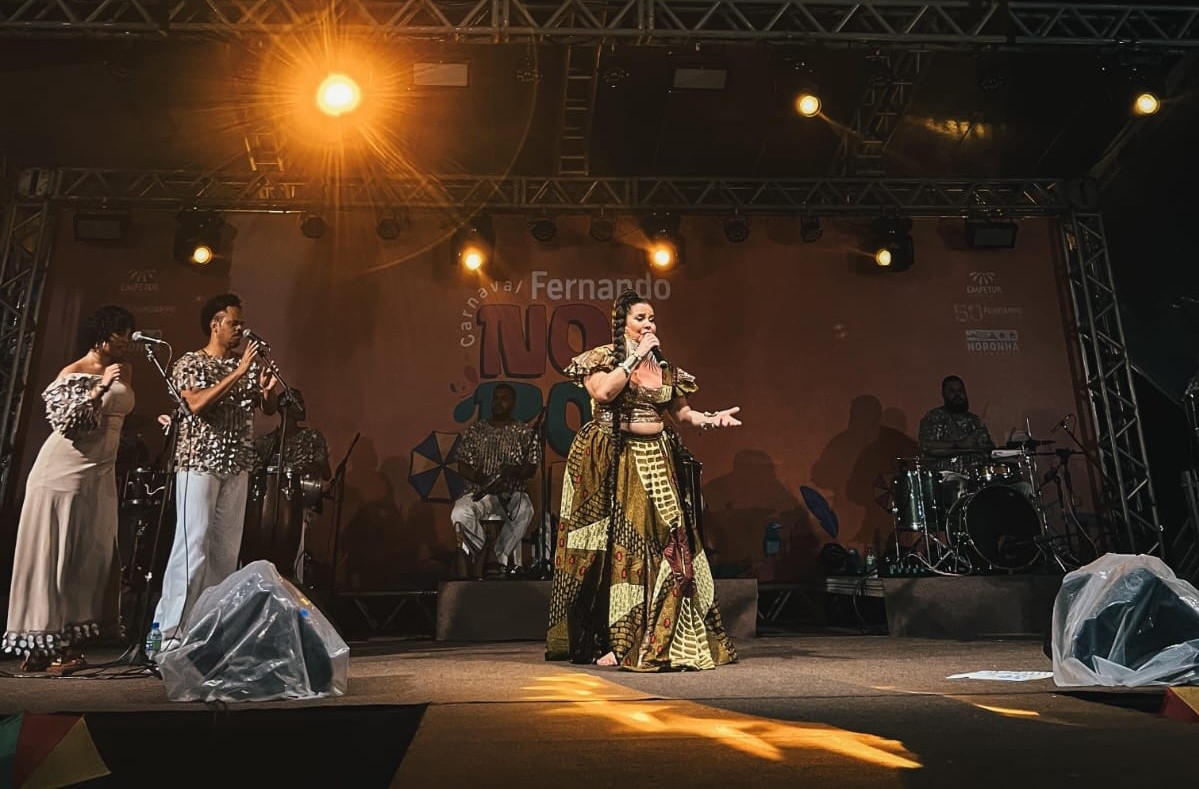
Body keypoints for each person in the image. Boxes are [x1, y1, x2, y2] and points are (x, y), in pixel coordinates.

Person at [545, 288, 741, 671]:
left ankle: (662, 638)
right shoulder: (603, 359)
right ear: (622, 323)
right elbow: (603, 393)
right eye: (640, 319)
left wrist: (709, 419)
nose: (649, 325)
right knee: (620, 550)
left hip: (657, 460)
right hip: (613, 461)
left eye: (652, 319)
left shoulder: (665, 368)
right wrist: (634, 356)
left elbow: (682, 414)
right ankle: (618, 642)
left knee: (671, 543)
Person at [3, 305, 136, 673]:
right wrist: (101, 388)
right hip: (64, 474)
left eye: (129, 333)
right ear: (102, 335)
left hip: (99, 475)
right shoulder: (74, 372)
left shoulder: (125, 370)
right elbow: (68, 423)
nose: (127, 340)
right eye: (120, 334)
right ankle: (47, 646)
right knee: (57, 555)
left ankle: (58, 644)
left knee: (86, 557)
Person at [152, 293, 278, 651]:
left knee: (225, 549)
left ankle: (210, 630)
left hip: (237, 464)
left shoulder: (247, 365)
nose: (240, 329)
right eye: (234, 323)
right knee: (193, 545)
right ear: (215, 324)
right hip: (199, 462)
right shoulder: (191, 362)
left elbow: (265, 409)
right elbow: (194, 404)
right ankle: (171, 633)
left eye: (241, 323)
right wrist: (239, 372)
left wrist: (266, 391)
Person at [451, 383, 541, 579]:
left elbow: (531, 468)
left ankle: (499, 555)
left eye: (504, 399)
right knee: (459, 513)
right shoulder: (476, 430)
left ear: (513, 403)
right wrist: (481, 478)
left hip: (511, 494)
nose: (498, 403)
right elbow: (463, 466)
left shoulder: (524, 432)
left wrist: (513, 472)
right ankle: (486, 551)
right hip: (479, 494)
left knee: (526, 509)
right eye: (495, 398)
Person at [250, 388, 331, 585]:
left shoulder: (312, 437)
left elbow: (326, 472)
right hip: (268, 508)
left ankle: (294, 585)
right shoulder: (267, 442)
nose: (301, 405)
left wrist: (309, 468)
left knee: (292, 552)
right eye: (295, 401)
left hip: (302, 502)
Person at [918, 375, 995, 512]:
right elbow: (928, 446)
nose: (957, 394)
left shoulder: (975, 420)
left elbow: (988, 448)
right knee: (959, 485)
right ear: (944, 395)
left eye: (960, 390)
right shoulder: (935, 417)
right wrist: (958, 444)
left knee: (1013, 487)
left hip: (978, 476)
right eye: (952, 391)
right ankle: (959, 527)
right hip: (947, 478)